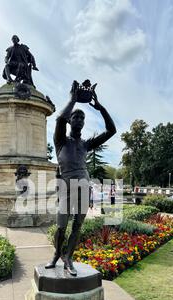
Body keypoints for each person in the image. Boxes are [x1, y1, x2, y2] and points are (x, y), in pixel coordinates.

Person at [45, 82, 117, 276]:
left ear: (84, 123)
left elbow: (111, 131)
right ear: (71, 121)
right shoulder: (60, 141)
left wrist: (100, 108)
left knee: (77, 225)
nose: (78, 119)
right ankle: (57, 254)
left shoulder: (86, 145)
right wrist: (73, 99)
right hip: (67, 186)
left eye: (81, 117)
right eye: (75, 116)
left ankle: (68, 258)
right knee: (61, 226)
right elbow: (60, 119)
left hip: (84, 186)